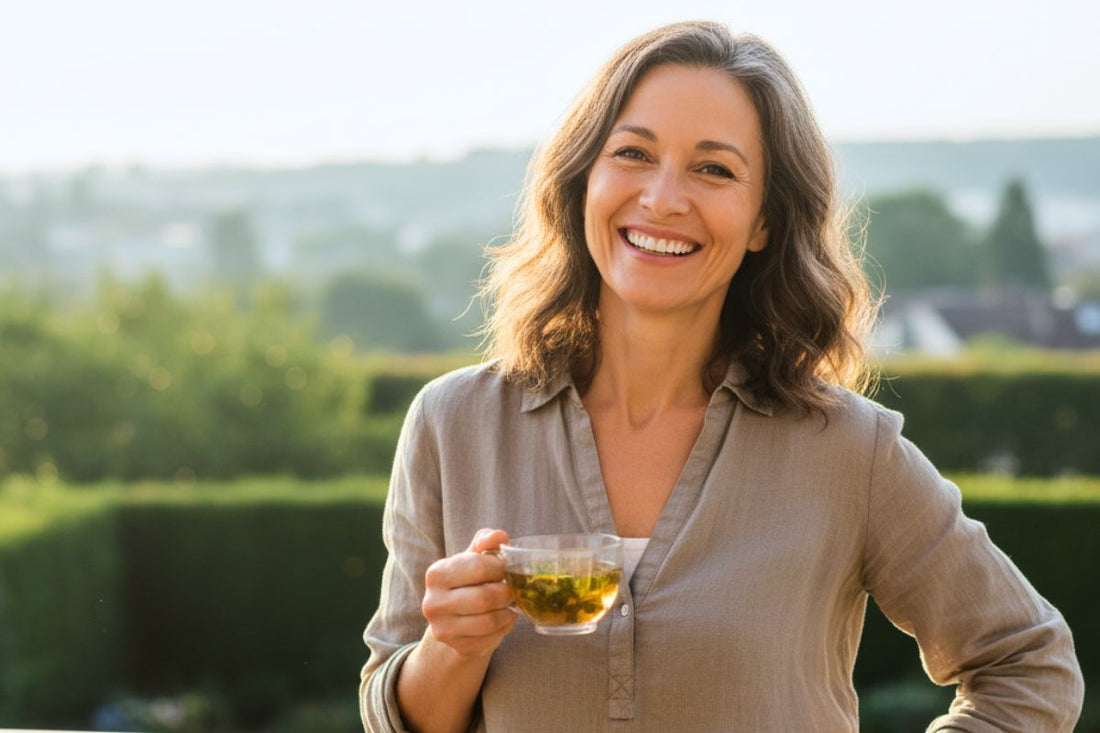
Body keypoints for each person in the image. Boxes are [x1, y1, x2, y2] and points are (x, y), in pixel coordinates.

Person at [360, 21, 1083, 732]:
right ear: (585, 178)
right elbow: (394, 711)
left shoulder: (845, 449)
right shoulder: (452, 423)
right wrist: (450, 646)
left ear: (764, 220)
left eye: (713, 169)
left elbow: (1030, 662)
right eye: (634, 153)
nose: (664, 198)